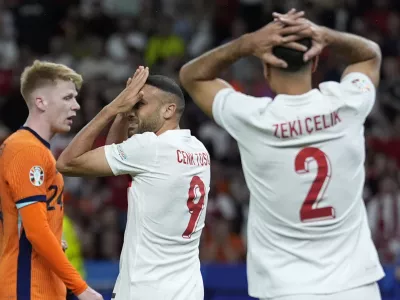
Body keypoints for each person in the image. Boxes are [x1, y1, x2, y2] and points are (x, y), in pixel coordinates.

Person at [180, 8, 383, 300]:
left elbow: (191, 76)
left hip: (286, 290)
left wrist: (246, 44)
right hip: (356, 286)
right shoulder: (347, 103)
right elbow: (370, 55)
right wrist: (326, 35)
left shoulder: (253, 117)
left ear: (265, 66)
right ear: (314, 62)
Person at [56, 67, 211, 300]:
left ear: (168, 110)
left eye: (140, 104)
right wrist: (124, 112)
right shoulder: (199, 150)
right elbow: (116, 159)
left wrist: (114, 107)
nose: (132, 110)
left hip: (145, 289)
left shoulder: (150, 148)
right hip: (188, 290)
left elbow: (67, 163)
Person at [0, 60, 103, 300]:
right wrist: (81, 288)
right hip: (28, 288)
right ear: (41, 102)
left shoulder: (33, 149)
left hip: (40, 286)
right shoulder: (26, 150)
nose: (76, 106)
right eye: (67, 98)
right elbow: (35, 231)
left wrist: (53, 240)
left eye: (76, 98)